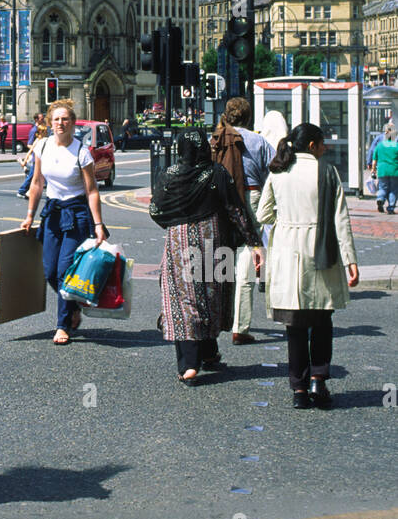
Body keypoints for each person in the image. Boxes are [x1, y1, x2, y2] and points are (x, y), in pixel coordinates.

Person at [257, 123, 359, 409]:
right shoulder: (326, 171)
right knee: (322, 319)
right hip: (321, 249)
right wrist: (351, 260)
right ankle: (318, 379)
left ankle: (299, 389)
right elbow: (341, 220)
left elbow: (263, 212)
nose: (325, 148)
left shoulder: (279, 172)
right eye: (322, 143)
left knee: (295, 325)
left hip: (289, 252)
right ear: (312, 145)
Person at [150, 128, 262, 387]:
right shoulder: (216, 173)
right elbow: (236, 210)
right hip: (213, 239)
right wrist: (253, 242)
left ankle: (189, 364)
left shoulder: (168, 175)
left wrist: (175, 224)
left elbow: (155, 210)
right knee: (210, 296)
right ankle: (209, 352)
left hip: (178, 241)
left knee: (183, 299)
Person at [20, 100, 108, 344]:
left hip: (78, 214)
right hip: (53, 213)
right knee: (49, 270)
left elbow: (92, 191)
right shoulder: (42, 146)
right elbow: (37, 183)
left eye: (65, 119)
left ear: (72, 123)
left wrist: (99, 225)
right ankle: (74, 306)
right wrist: (30, 215)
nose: (61, 123)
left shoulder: (81, 151)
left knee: (64, 271)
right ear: (50, 122)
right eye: (56, 119)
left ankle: (62, 325)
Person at [211, 98, 274, 346]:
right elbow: (275, 169)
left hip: (223, 198)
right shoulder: (258, 141)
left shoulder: (216, 138)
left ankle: (217, 319)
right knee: (252, 252)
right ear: (248, 117)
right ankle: (241, 326)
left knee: (221, 257)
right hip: (252, 195)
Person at [372, 124, 398, 214]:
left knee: (382, 188)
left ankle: (380, 199)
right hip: (395, 171)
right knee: (394, 190)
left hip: (382, 170)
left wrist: (373, 170)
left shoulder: (379, 145)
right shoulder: (396, 145)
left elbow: (374, 159)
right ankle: (390, 208)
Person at [17, 125, 47, 197]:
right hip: (35, 161)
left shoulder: (45, 140)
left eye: (45, 131)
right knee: (31, 177)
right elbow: (30, 151)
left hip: (42, 161)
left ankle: (50, 191)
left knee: (45, 176)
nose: (45, 133)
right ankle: (21, 191)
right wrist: (24, 161)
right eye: (44, 131)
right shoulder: (37, 140)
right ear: (40, 132)